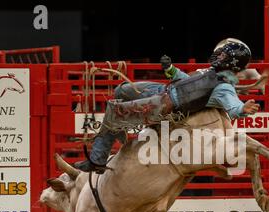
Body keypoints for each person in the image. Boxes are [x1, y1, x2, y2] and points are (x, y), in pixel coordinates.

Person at [74, 40, 259, 173]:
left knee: (114, 112)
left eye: (224, 54)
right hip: (163, 90)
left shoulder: (224, 87)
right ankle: (116, 131)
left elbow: (233, 107)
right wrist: (170, 69)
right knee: (121, 90)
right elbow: (187, 81)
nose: (219, 55)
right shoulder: (211, 73)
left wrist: (244, 109)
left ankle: (97, 160)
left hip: (163, 105)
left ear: (232, 61)